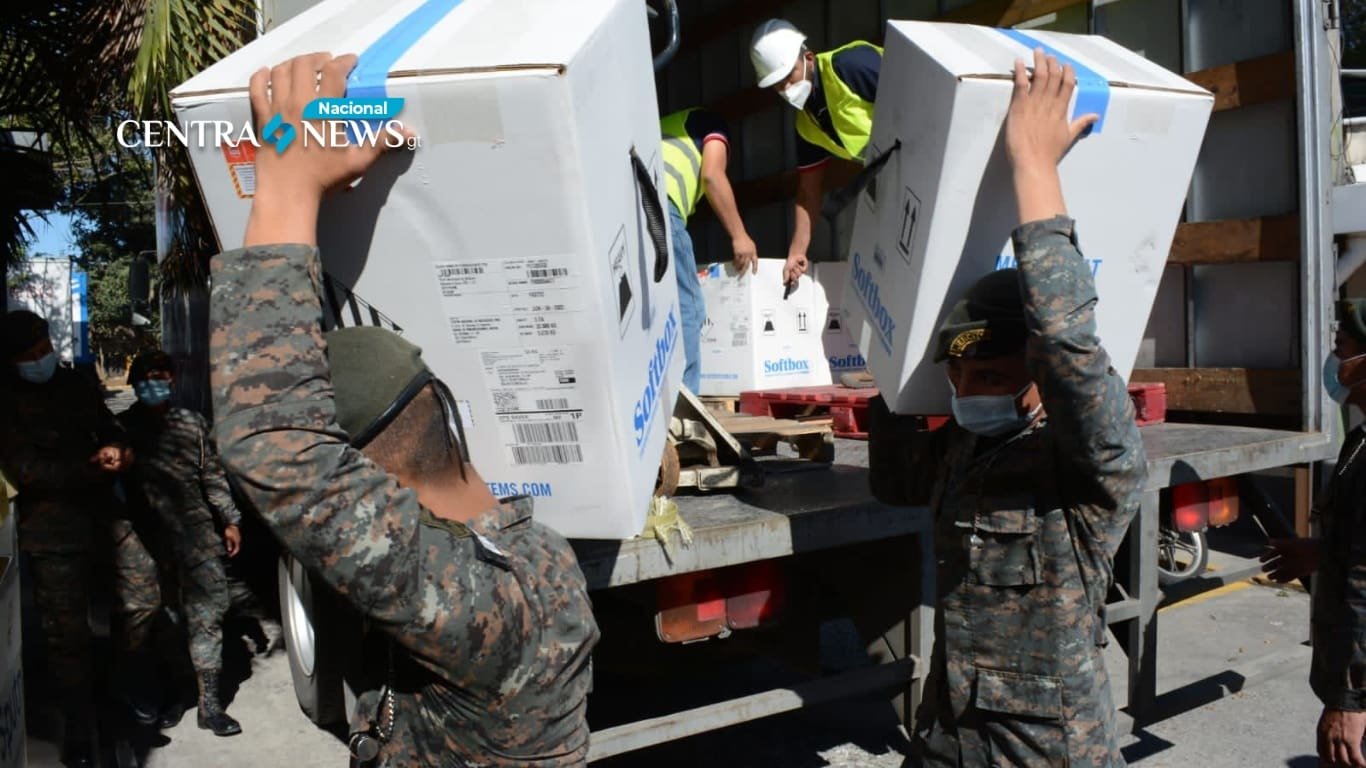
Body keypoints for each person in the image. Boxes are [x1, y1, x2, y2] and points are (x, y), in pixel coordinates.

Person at [207, 52, 600, 765]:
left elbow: (270, 438)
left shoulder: (466, 596)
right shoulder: (534, 548)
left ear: (366, 489)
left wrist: (289, 182)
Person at [866, 51, 1143, 767]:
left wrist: (1031, 164)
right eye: (956, 373)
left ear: (1036, 377)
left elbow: (1067, 340)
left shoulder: (1090, 465)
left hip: (1044, 750)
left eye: (988, 372)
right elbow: (896, 482)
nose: (966, 389)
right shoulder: (964, 451)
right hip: (948, 736)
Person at [0, 309, 146, 767]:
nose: (42, 359)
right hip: (51, 534)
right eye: (32, 354)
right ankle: (80, 729)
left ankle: (118, 692)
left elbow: (109, 424)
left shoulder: (74, 384)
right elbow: (25, 472)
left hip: (105, 518)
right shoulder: (5, 402)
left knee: (142, 599)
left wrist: (119, 448)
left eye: (46, 349)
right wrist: (90, 467)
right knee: (68, 640)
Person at [120, 349, 277, 737]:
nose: (152, 384)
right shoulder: (121, 429)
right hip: (147, 540)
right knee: (167, 620)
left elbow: (212, 477)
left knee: (208, 614)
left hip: (196, 534)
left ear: (172, 380)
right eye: (144, 377)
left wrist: (230, 520)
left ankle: (210, 706)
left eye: (159, 375)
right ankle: (179, 694)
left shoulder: (193, 424)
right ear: (135, 385)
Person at [1261, 302, 1366, 768]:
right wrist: (1325, 552)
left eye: (1341, 350)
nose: (1333, 362)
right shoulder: (1361, 439)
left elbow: (1364, 582)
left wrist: (1348, 700)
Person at [749, 18, 882, 285]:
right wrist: (797, 251)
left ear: (808, 57)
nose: (786, 89)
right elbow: (809, 192)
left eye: (789, 76)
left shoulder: (849, 67)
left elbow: (918, 90)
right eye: (777, 84)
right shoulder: (806, 126)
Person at [660, 106, 758, 393]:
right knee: (688, 307)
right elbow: (713, 175)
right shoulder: (710, 122)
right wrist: (740, 235)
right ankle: (684, 403)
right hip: (659, 208)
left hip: (625, 215)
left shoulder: (662, 127)